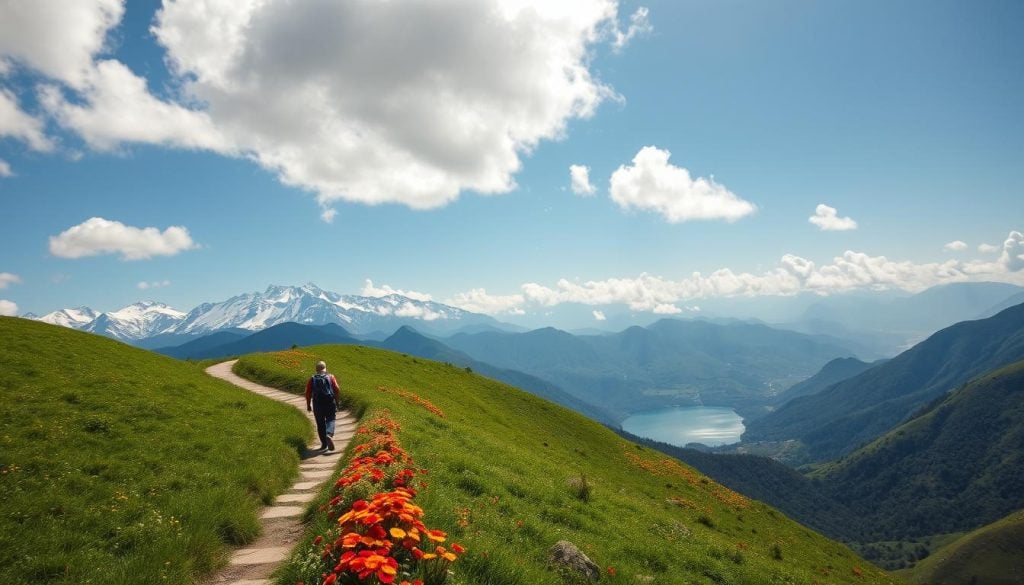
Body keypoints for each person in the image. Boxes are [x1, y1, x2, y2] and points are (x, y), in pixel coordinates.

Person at [305, 361, 340, 451]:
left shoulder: (312, 379)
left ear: (316, 369)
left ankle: (324, 444)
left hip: (317, 404)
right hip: (329, 402)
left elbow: (308, 393)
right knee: (331, 419)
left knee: (320, 423)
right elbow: (337, 389)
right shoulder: (331, 377)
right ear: (325, 368)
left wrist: (308, 405)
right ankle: (329, 434)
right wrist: (337, 402)